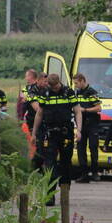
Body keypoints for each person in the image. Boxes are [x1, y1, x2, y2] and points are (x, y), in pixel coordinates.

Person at [30, 73, 83, 206]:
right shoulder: (45, 93)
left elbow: (77, 111)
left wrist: (79, 130)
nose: (53, 88)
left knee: (65, 163)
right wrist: (34, 133)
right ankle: (50, 195)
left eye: (55, 86)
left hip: (65, 133)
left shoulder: (68, 92)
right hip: (49, 133)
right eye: (51, 86)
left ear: (59, 83)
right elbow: (39, 113)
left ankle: (65, 193)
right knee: (49, 164)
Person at [73, 73, 102, 183]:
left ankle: (95, 173)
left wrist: (85, 110)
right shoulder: (77, 92)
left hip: (92, 124)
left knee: (93, 147)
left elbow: (99, 108)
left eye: (76, 83)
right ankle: (84, 173)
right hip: (81, 124)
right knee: (81, 148)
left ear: (82, 81)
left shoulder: (91, 92)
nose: (75, 85)